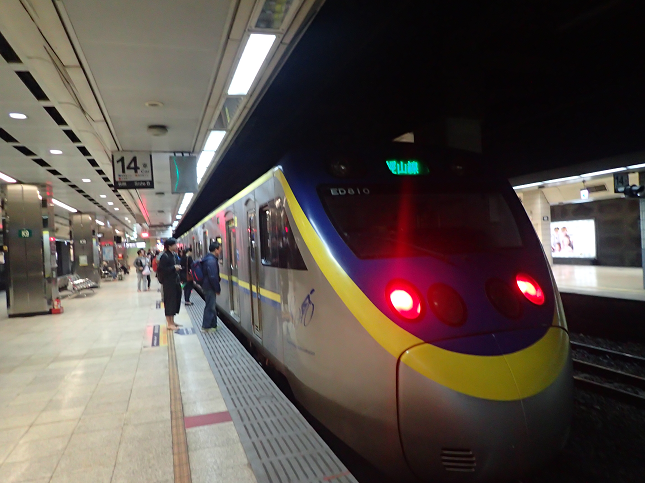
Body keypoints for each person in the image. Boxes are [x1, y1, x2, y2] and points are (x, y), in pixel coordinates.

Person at [157, 238, 183, 330]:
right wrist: (173, 268)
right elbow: (161, 270)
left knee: (175, 301)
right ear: (169, 246)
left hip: (175, 281)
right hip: (168, 283)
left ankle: (172, 321)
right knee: (169, 302)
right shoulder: (165, 256)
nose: (176, 246)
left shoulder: (174, 255)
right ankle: (169, 323)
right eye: (175, 245)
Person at [201, 241, 221, 332]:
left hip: (207, 286)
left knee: (212, 306)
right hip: (209, 287)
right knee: (210, 306)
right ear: (216, 249)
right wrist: (217, 288)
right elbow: (213, 276)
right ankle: (206, 326)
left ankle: (213, 325)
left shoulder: (209, 258)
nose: (220, 251)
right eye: (219, 249)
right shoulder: (211, 260)